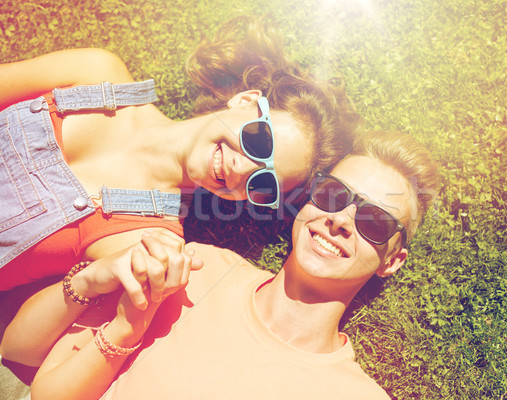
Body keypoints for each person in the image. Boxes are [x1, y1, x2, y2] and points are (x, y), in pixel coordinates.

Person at [2, 131, 441, 399]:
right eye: (333, 196)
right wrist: (95, 284)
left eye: (374, 222)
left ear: (393, 261)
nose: (340, 220)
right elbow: (19, 355)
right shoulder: (198, 268)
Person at [0, 15, 359, 292]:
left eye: (262, 182)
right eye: (259, 142)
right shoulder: (96, 74)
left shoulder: (149, 239)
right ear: (246, 101)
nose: (241, 168)